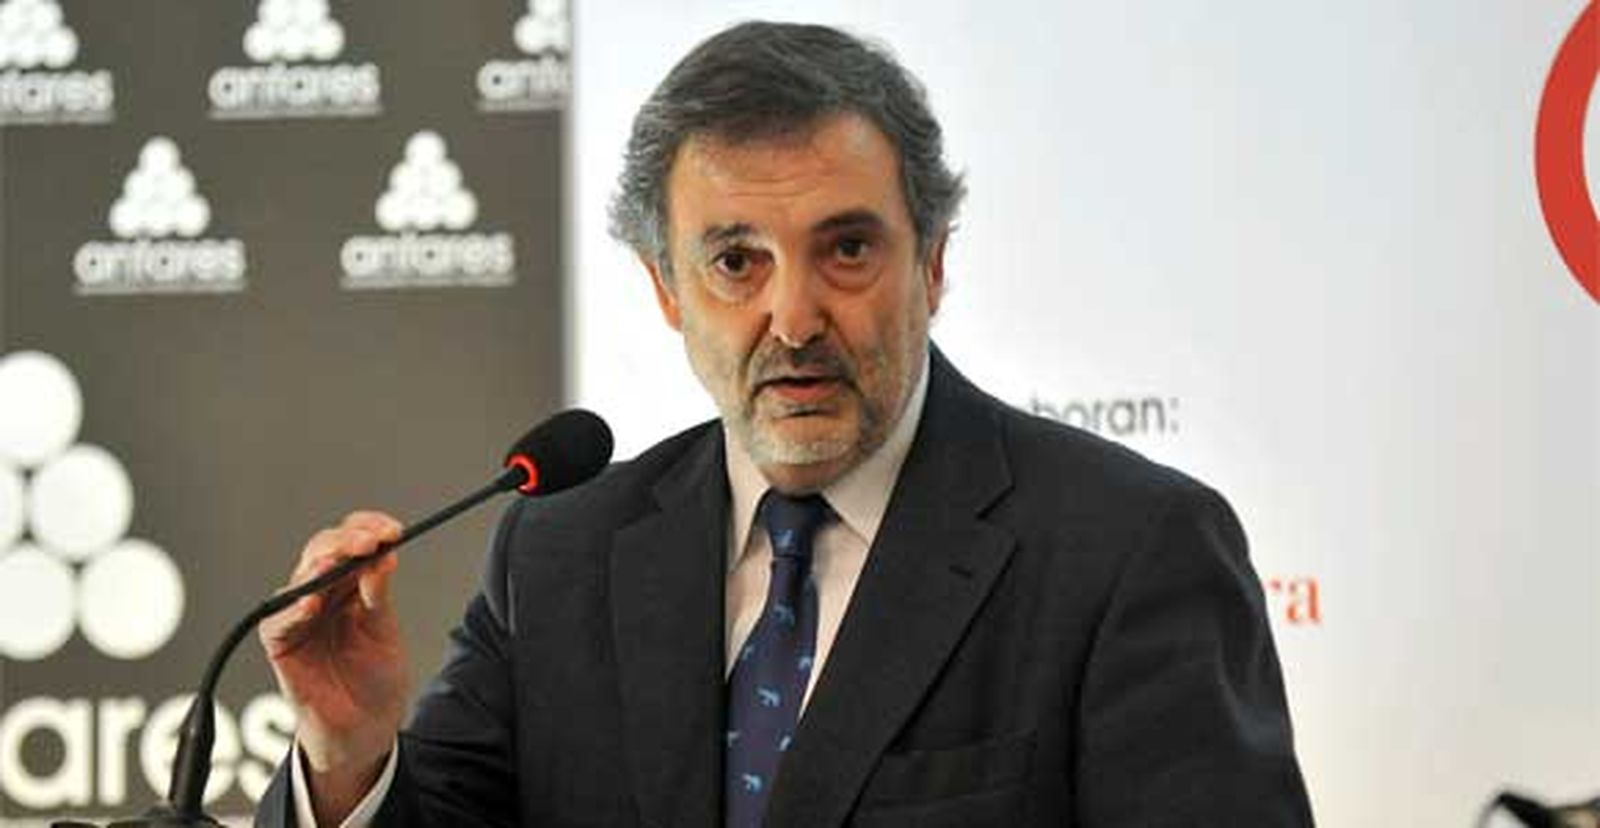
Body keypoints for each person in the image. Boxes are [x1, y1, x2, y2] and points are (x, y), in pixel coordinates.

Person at [255, 20, 1313, 827]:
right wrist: (348, 756)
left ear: (932, 264)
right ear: (666, 289)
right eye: (735, 262)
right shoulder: (562, 551)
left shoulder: (1127, 551)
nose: (794, 317)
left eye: (846, 250)